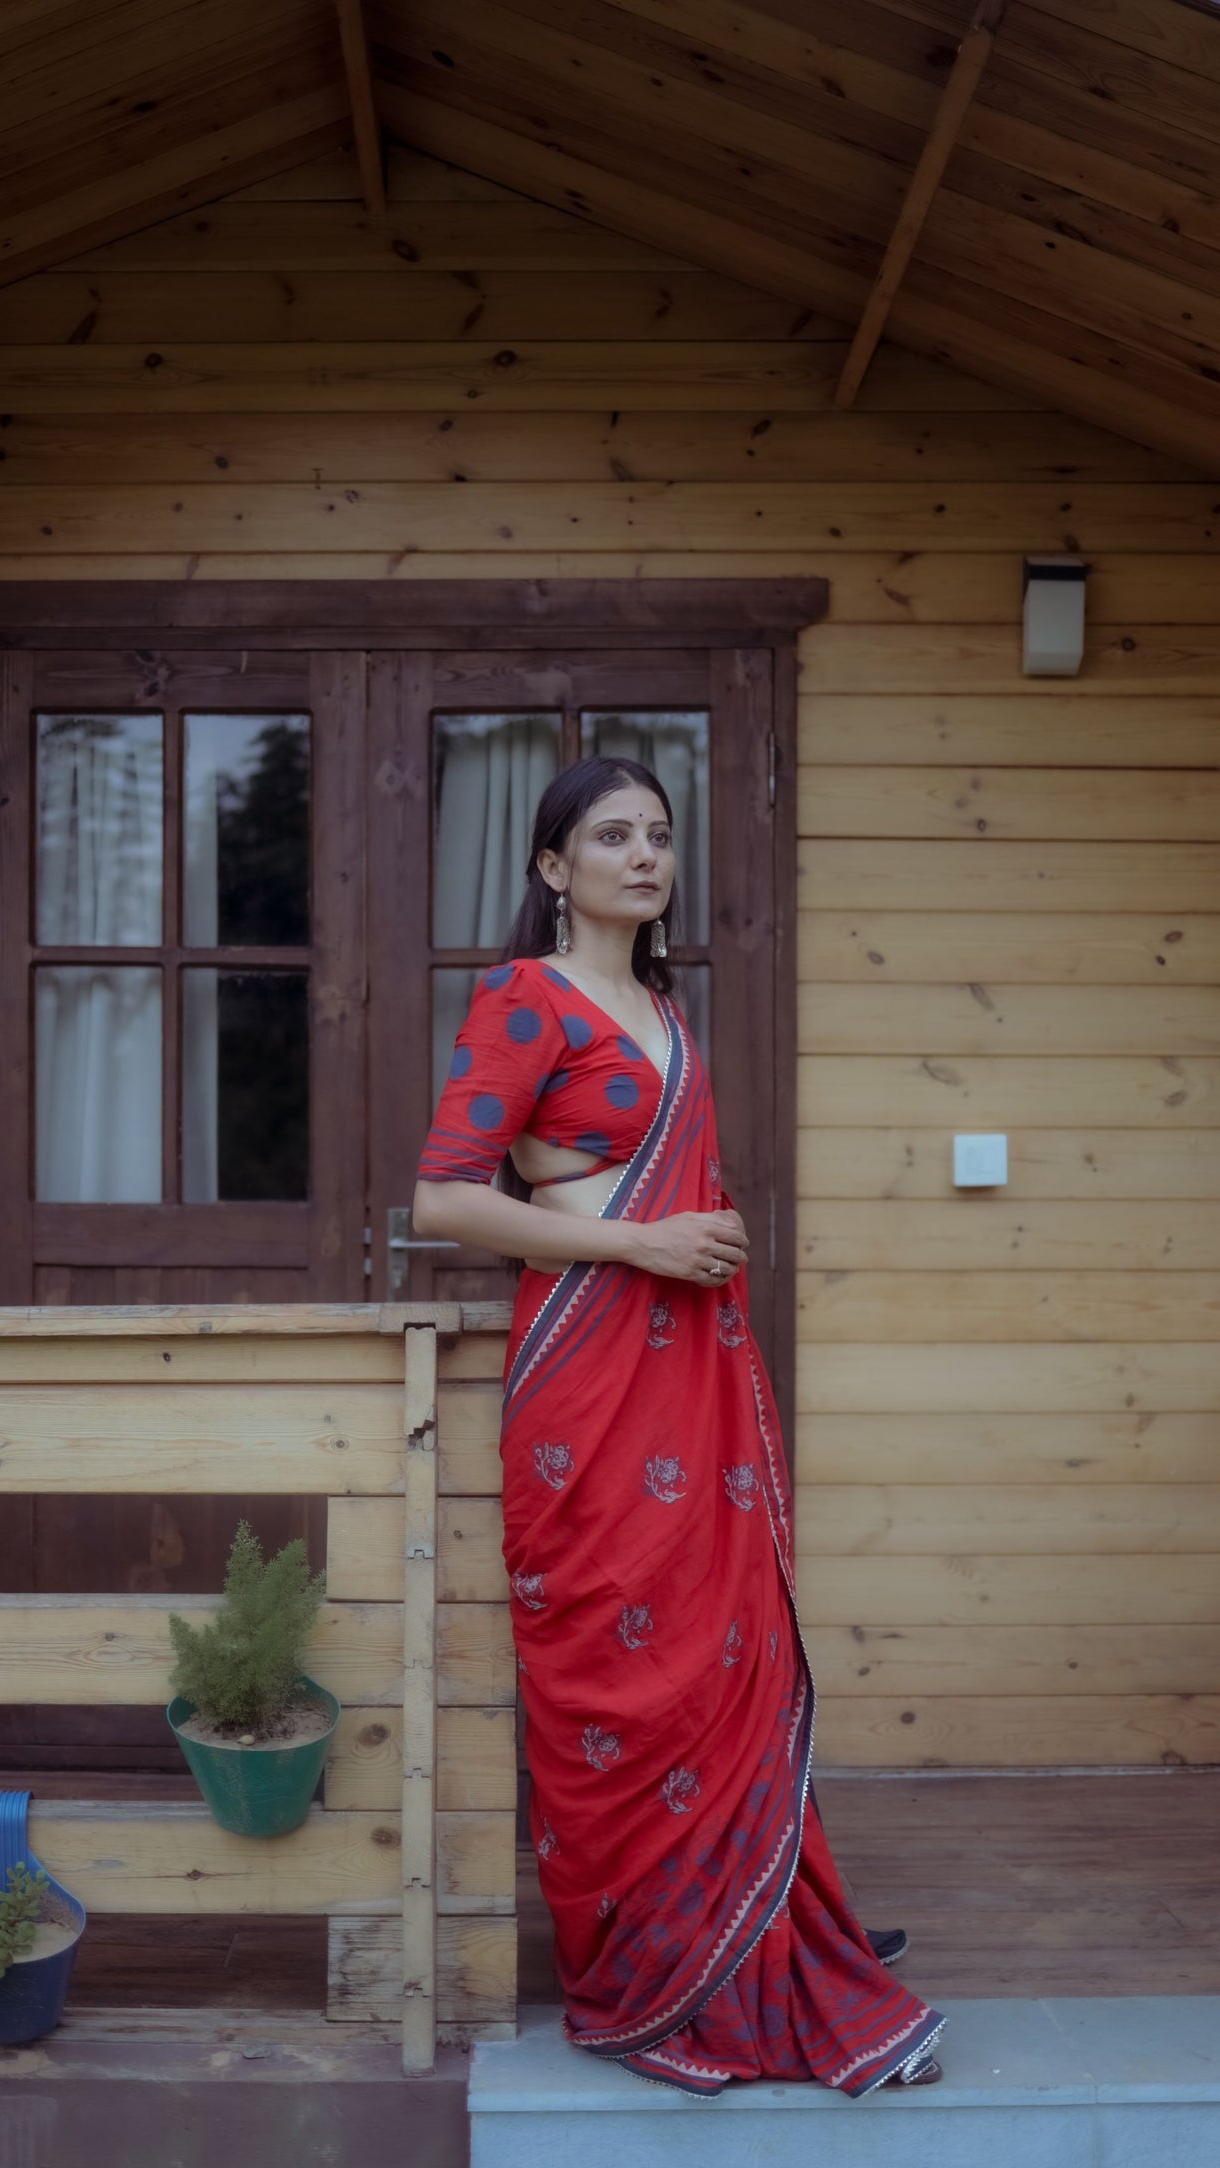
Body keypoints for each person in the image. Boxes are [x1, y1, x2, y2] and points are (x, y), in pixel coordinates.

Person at [412, 756, 944, 2097]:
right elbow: (445, 1200)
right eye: (608, 835)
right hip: (586, 1388)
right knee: (622, 1662)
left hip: (687, 1376)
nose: (642, 856)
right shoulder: (524, 1002)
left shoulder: (658, 1006)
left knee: (722, 1648)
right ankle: (658, 1966)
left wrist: (676, 1249)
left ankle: (758, 1918)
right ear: (551, 869)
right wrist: (647, 1239)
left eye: (658, 835)